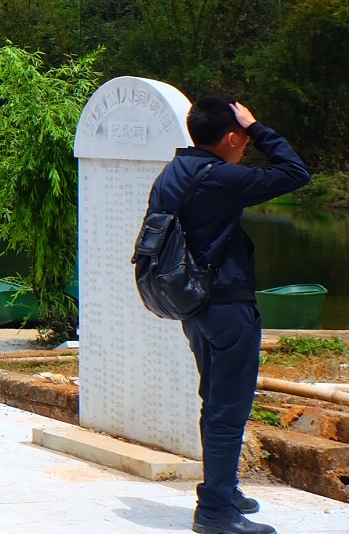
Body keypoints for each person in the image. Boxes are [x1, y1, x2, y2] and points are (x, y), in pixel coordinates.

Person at [147, 97, 309, 534]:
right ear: (233, 137)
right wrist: (260, 127)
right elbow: (296, 172)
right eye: (243, 139)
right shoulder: (223, 177)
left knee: (215, 401)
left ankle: (224, 488)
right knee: (228, 407)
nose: (245, 147)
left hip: (193, 305)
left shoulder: (174, 172)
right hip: (227, 307)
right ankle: (216, 511)